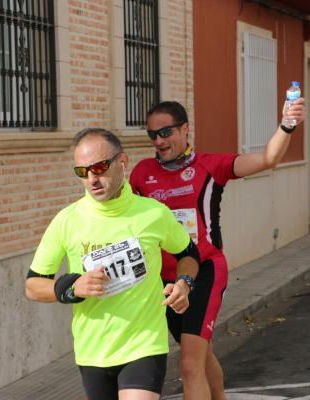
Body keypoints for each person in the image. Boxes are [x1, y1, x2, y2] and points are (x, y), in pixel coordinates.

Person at [130, 98, 305, 399]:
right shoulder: (142, 173)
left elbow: (267, 158)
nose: (159, 141)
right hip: (164, 282)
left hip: (205, 272)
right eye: (153, 135)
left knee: (188, 364)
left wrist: (287, 124)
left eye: (166, 132)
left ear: (185, 129)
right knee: (201, 352)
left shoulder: (210, 166)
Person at [25, 128, 200, 400]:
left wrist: (184, 283)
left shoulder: (153, 213)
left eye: (99, 167)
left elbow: (188, 254)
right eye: (82, 172)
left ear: (122, 162)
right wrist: (71, 288)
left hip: (144, 343)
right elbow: (33, 286)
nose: (92, 179)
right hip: (93, 349)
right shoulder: (67, 220)